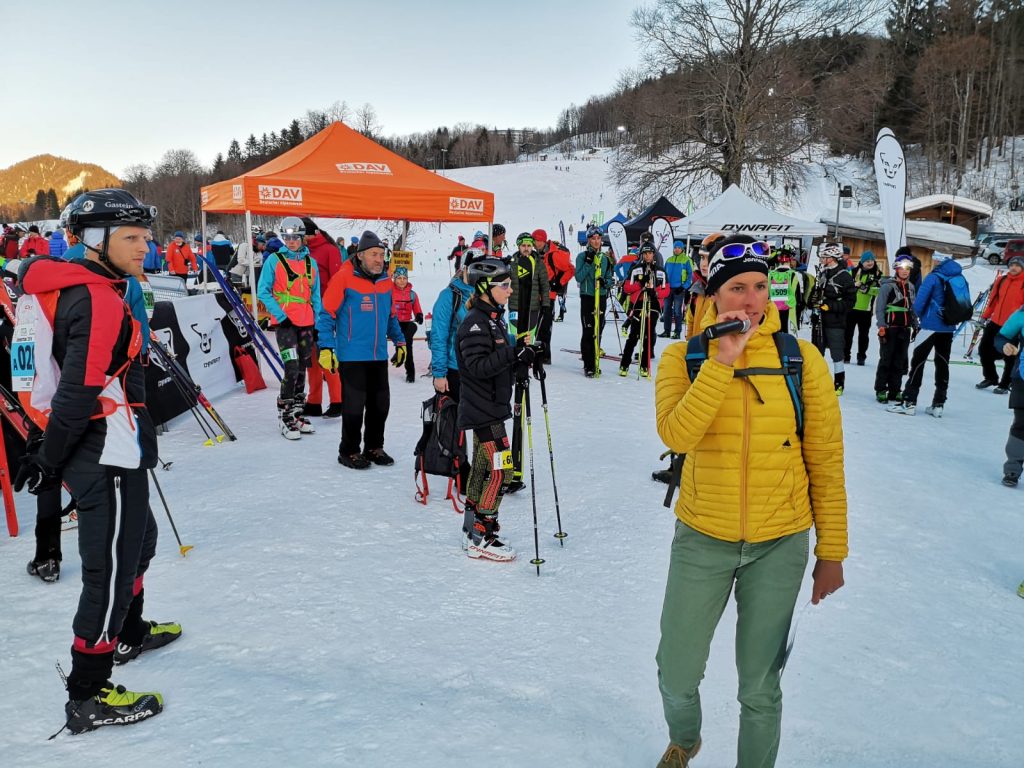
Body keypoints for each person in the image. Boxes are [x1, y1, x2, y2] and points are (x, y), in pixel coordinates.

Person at [653, 234, 847, 768]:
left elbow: (826, 459)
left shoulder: (801, 359)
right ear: (713, 295)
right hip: (702, 538)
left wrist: (833, 551)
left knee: (760, 685)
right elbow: (677, 436)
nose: (751, 299)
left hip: (778, 542)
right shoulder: (683, 357)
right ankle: (685, 739)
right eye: (736, 287)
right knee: (676, 669)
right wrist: (721, 361)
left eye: (760, 286)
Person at [16, 189, 179, 734]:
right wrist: (50, 460)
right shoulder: (100, 299)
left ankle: (128, 632)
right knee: (106, 572)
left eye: (145, 236)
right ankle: (87, 693)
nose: (145, 247)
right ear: (93, 242)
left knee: (143, 542)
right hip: (102, 447)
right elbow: (79, 391)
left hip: (111, 442)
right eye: (131, 238)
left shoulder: (79, 287)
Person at [456, 257, 533, 562]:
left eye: (510, 284)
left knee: (483, 467)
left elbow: (498, 351)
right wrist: (513, 353)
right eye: (504, 285)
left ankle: (471, 527)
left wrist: (520, 349)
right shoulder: (475, 322)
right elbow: (477, 367)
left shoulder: (492, 317)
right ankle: (482, 532)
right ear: (486, 288)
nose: (510, 290)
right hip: (483, 407)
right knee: (502, 469)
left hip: (490, 405)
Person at [317, 230, 406, 469]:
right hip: (352, 354)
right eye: (374, 254)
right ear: (361, 255)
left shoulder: (386, 280)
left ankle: (374, 447)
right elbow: (326, 314)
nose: (380, 259)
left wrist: (400, 342)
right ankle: (348, 450)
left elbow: (390, 316)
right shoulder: (343, 278)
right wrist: (326, 346)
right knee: (354, 406)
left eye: (382, 254)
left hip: (377, 354)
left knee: (380, 404)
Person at [257, 216, 323, 439]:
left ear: (302, 237)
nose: (291, 241)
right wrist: (279, 315)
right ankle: (284, 415)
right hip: (285, 322)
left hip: (306, 321)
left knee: (303, 366)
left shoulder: (310, 263)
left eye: (294, 237)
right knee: (291, 366)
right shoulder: (274, 261)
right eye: (286, 237)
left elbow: (316, 295)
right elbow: (263, 291)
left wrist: (317, 322)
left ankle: (297, 413)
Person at [889, 253, 970, 417]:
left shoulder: (933, 277)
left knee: (918, 363)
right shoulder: (959, 277)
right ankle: (939, 404)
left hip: (929, 326)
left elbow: (919, 303)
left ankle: (909, 402)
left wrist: (915, 316)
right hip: (948, 327)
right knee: (942, 363)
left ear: (938, 261)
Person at [507, 232, 550, 493]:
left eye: (528, 245)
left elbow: (544, 284)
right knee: (515, 337)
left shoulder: (538, 262)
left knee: (529, 339)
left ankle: (528, 358)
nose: (525, 248)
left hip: (533, 307)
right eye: (522, 245)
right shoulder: (513, 261)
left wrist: (546, 304)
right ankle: (515, 359)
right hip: (514, 306)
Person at [301, 218, 343, 417]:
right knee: (311, 359)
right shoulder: (301, 252)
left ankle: (338, 400)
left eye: (302, 234)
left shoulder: (329, 250)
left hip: (325, 312)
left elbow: (337, 282)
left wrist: (333, 311)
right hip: (305, 312)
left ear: (311, 234)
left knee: (326, 356)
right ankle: (314, 401)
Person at [809, 242, 856, 394]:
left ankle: (839, 383)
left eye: (825, 256)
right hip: (819, 320)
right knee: (816, 352)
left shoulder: (844, 276)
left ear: (832, 257)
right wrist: (812, 300)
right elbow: (814, 295)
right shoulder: (822, 273)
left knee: (837, 353)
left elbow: (850, 302)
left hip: (835, 321)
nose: (822, 259)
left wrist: (830, 306)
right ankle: (817, 381)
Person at [873, 254, 918, 404]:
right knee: (886, 359)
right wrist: (881, 326)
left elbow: (913, 308)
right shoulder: (887, 286)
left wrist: (915, 325)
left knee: (900, 361)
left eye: (908, 269)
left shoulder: (911, 287)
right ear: (896, 269)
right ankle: (881, 389)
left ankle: (895, 390)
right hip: (889, 328)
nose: (905, 271)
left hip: (904, 329)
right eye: (902, 268)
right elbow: (879, 308)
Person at [620, 243, 669, 377]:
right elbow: (627, 288)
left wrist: (655, 292)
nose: (647, 256)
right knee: (634, 335)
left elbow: (666, 290)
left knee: (648, 335)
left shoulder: (660, 271)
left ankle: (644, 365)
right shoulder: (636, 269)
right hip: (638, 304)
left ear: (654, 254)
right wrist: (640, 285)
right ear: (642, 255)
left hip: (653, 305)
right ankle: (624, 364)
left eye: (650, 253)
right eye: (645, 253)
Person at [977, 255, 1024, 393]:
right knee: (984, 350)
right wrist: (985, 316)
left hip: (1013, 325)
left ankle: (1005, 384)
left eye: (1017, 265)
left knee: (1010, 356)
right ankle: (990, 377)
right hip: (996, 321)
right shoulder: (1001, 280)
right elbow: (993, 301)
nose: (1014, 267)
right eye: (1012, 265)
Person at [575, 226, 614, 377]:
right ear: (589, 241)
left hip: (601, 296)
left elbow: (610, 278)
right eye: (593, 239)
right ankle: (588, 363)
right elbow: (579, 277)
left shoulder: (605, 259)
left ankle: (595, 357)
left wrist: (605, 282)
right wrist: (588, 262)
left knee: (598, 329)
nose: (596, 241)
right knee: (588, 330)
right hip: (587, 296)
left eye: (598, 239)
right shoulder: (582, 256)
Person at [993, 307, 1024, 486]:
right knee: (1021, 423)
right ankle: (1013, 468)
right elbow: (1001, 337)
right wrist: (1005, 346)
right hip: (1022, 376)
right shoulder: (1021, 315)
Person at [844, 251, 883, 365]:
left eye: (871, 260)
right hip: (851, 308)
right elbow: (845, 286)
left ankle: (861, 357)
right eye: (867, 261)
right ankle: (845, 355)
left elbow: (880, 291)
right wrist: (853, 286)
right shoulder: (854, 271)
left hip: (866, 310)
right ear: (862, 262)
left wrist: (867, 290)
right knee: (847, 334)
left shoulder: (878, 274)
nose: (869, 263)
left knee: (863, 335)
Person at [390, 266, 423, 383]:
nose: (402, 281)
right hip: (392, 324)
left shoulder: (412, 294)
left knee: (407, 339)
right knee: (406, 341)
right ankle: (400, 350)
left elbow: (417, 308)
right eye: (399, 278)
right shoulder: (389, 292)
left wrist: (419, 315)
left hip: (407, 323)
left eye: (404, 278)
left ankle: (410, 372)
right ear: (394, 279)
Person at [661, 240, 693, 339]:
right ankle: (666, 331)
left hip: (679, 289)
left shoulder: (687, 260)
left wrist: (683, 287)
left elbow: (691, 276)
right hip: (668, 289)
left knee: (677, 311)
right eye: (675, 247)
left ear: (682, 249)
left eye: (679, 248)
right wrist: (663, 285)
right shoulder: (669, 260)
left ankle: (677, 332)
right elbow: (663, 274)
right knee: (666, 311)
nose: (677, 249)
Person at [542, 231, 574, 325]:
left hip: (555, 280)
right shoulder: (564, 251)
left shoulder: (555, 254)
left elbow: (569, 268)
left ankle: (554, 314)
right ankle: (561, 312)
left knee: (553, 298)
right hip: (562, 280)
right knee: (560, 296)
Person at [767, 247, 798, 333]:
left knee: (774, 332)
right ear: (790, 260)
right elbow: (798, 294)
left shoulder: (770, 275)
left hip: (773, 308)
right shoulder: (794, 275)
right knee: (786, 334)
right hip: (789, 309)